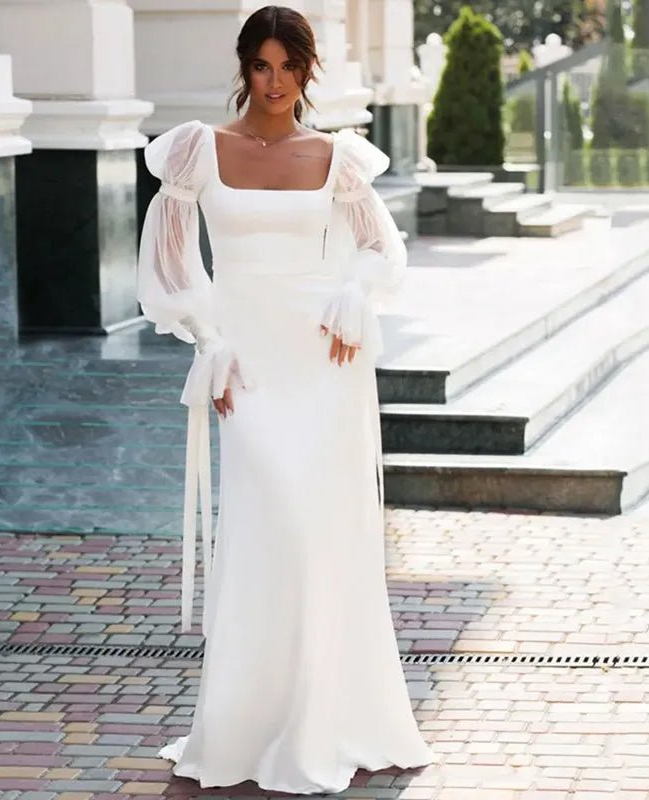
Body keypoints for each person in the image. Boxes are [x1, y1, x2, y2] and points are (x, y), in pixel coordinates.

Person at [136, 4, 435, 794]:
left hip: (323, 364)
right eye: (262, 65)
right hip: (250, 366)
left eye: (289, 66)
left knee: (317, 536)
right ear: (245, 67)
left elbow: (383, 248)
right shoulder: (201, 150)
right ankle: (245, 725)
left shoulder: (336, 158)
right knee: (269, 530)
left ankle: (323, 717)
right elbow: (166, 261)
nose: (275, 82)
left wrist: (355, 296)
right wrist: (208, 337)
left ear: (308, 70)